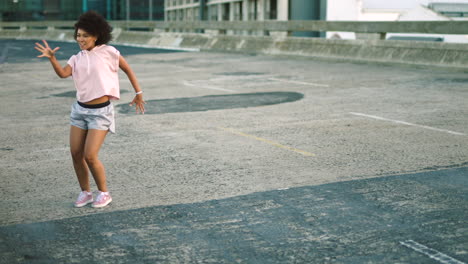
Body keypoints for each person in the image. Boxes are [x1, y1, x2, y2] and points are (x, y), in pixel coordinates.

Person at [34, 11, 145, 208]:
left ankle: (104, 193)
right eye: (78, 35)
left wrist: (139, 93)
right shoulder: (76, 58)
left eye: (85, 35)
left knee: (90, 155)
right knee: (76, 153)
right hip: (79, 111)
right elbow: (62, 74)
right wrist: (52, 58)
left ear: (96, 35)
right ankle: (85, 192)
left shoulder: (109, 52)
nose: (81, 39)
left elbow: (127, 69)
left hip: (100, 113)